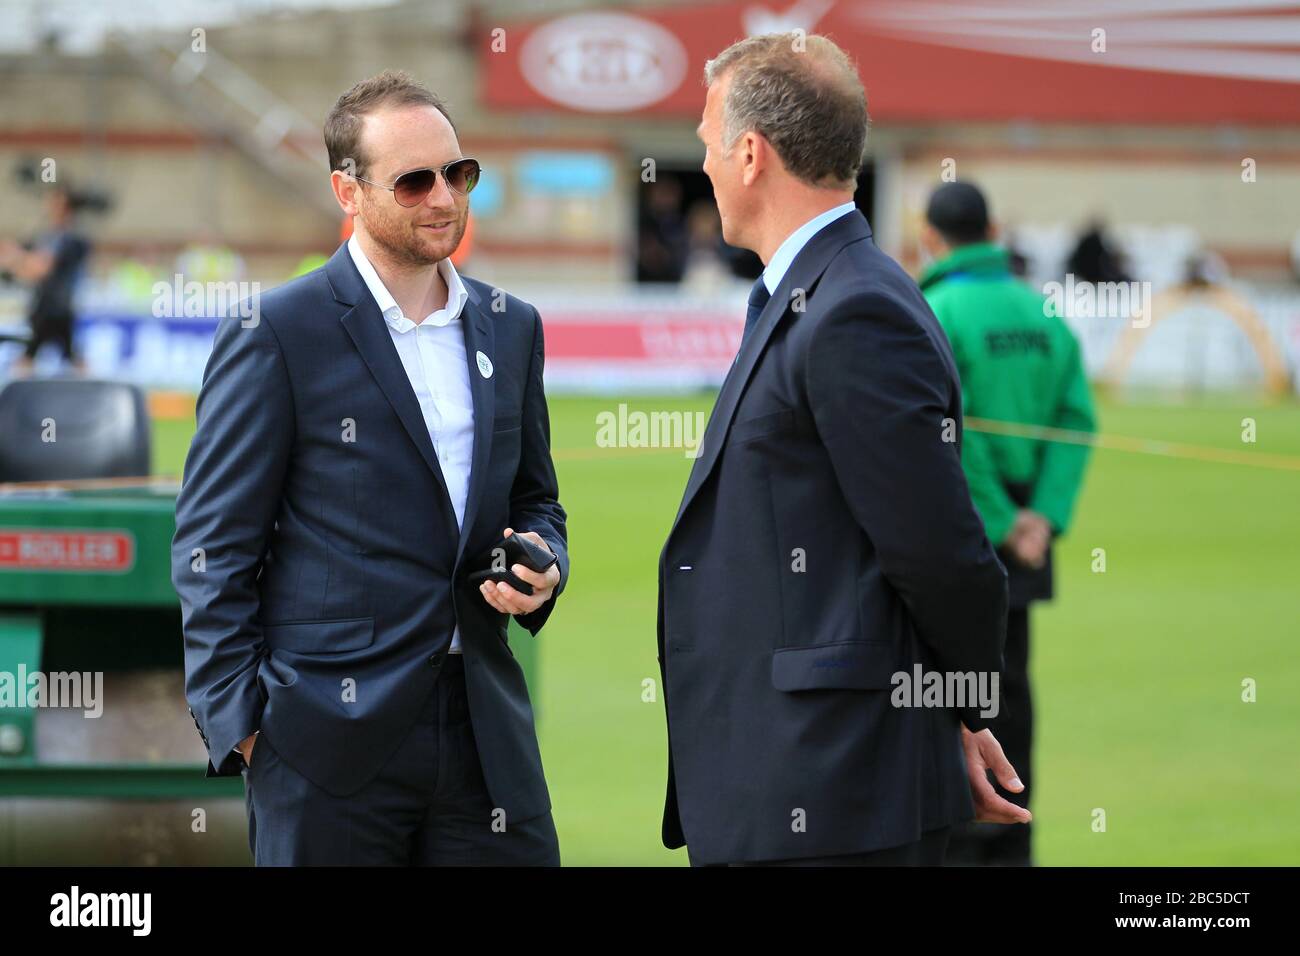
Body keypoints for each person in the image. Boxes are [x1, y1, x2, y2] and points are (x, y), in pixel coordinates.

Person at [173, 70, 568, 865]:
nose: (444, 198)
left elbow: (536, 499)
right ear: (346, 192)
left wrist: (544, 561)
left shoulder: (511, 326)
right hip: (323, 749)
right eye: (415, 180)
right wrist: (243, 727)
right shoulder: (278, 331)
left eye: (459, 174)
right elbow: (211, 546)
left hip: (486, 737)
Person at [657, 33, 1028, 867]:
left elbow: (942, 553)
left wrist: (956, 711)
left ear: (750, 153)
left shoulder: (856, 310)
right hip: (797, 781)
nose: (705, 164)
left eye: (708, 142)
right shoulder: (818, 292)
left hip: (830, 792)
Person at [920, 181, 1096, 866]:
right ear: (993, 229)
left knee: (955, 697)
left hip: (964, 526)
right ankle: (1014, 842)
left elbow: (948, 432)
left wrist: (1001, 518)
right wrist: (1043, 517)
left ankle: (965, 845)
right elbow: (1076, 420)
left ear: (930, 236)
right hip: (1028, 536)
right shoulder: (1043, 313)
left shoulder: (934, 310)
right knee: (1012, 689)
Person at [0, 184, 91, 374]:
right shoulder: (48, 235)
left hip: (57, 306)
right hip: (46, 305)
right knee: (66, 355)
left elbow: (40, 268)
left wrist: (15, 260)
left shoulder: (69, 238)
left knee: (33, 356)